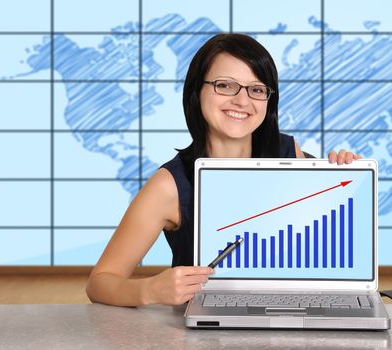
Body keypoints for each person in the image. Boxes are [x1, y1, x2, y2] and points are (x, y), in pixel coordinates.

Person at [86, 33, 361, 307]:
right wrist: (150, 290)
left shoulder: (290, 154)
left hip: (290, 320)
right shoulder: (170, 185)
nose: (242, 101)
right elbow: (100, 282)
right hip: (205, 335)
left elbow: (324, 246)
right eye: (225, 85)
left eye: (256, 89)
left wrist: (345, 174)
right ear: (197, 90)